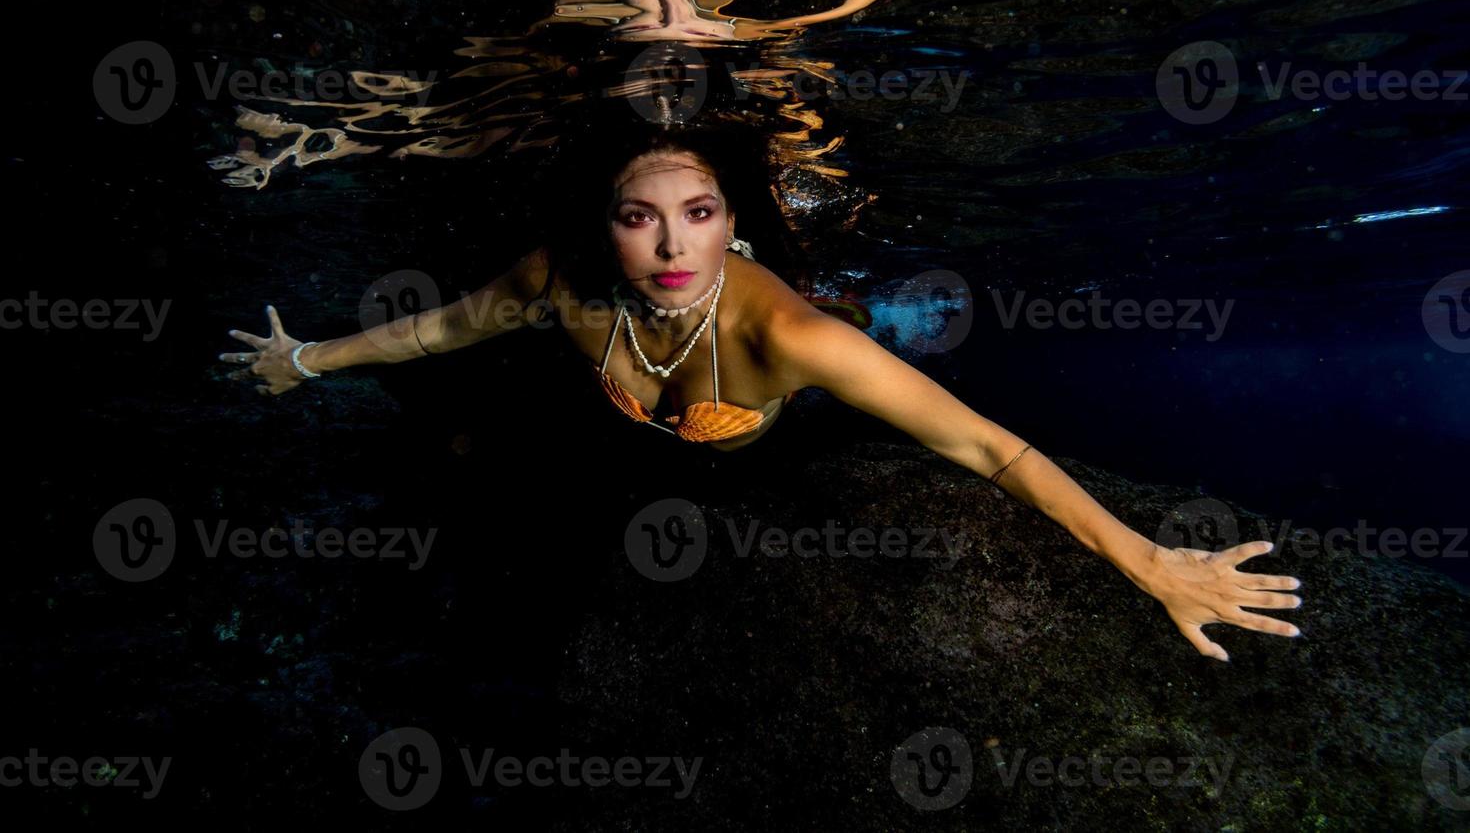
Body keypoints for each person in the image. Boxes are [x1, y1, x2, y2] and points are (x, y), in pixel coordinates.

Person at [218, 112, 1303, 662]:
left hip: (768, 429)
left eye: (699, 211)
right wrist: (306, 358)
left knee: (838, 341)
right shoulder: (560, 279)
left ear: (732, 219)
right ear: (605, 225)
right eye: (639, 215)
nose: (671, 242)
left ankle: (877, 313)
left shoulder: (779, 333)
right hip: (632, 422)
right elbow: (441, 328)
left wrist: (1150, 559)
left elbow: (986, 446)